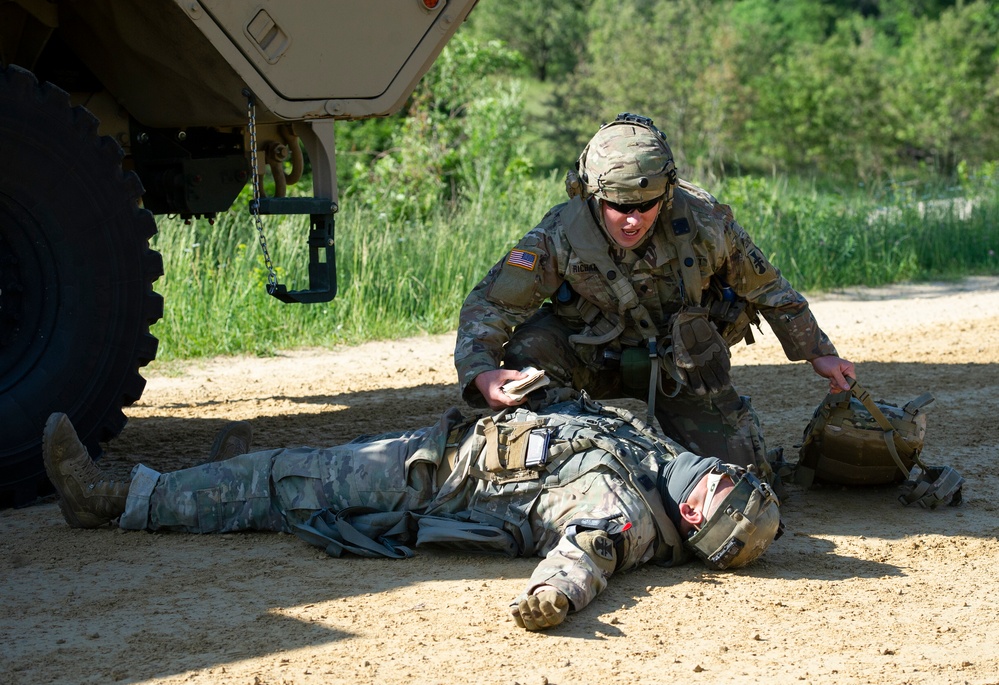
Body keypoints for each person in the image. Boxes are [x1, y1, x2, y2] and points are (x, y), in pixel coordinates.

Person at [42, 389, 782, 631]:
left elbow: (586, 552)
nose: (716, 482)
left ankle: (109, 499)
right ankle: (214, 481)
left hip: (432, 485)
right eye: (730, 483)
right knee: (286, 473)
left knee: (282, 479)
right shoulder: (655, 454)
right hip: (445, 448)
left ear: (691, 523)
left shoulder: (621, 508)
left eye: (715, 501)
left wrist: (550, 597)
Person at [455, 113, 856, 478]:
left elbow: (768, 286)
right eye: (617, 206)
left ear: (666, 194)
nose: (632, 219)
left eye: (645, 205)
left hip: (682, 364)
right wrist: (481, 371)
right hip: (587, 354)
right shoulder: (558, 235)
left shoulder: (705, 222)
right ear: (592, 194)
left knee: (739, 481)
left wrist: (819, 352)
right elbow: (491, 304)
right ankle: (575, 449)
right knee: (531, 351)